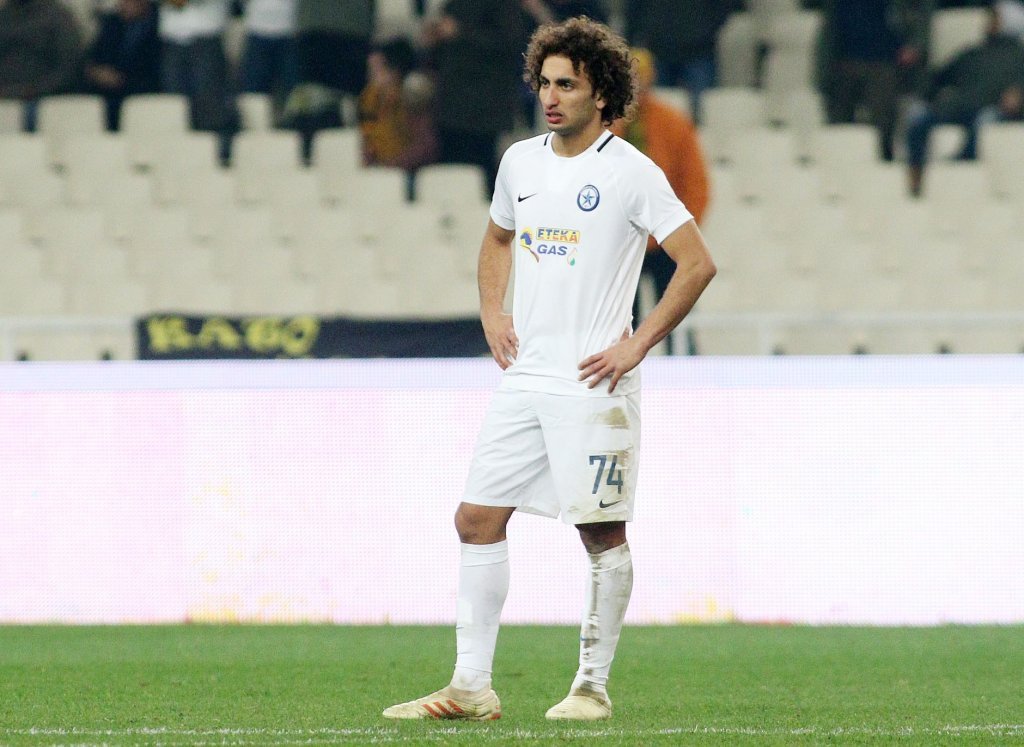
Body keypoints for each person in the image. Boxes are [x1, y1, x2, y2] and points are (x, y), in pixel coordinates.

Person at [382, 16, 715, 722]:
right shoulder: (520, 163)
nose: (551, 97)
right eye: (545, 83)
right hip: (527, 375)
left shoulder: (632, 172)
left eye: (567, 84)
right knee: (476, 518)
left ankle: (591, 686)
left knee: (600, 534)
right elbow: (497, 237)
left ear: (602, 94)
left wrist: (638, 343)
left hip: (594, 382)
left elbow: (696, 263)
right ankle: (471, 687)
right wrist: (492, 310)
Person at [610, 47, 709, 355]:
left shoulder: (672, 123)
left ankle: (686, 365)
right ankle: (620, 366)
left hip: (666, 239)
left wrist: (680, 229)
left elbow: (695, 184)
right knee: (619, 321)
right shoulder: (607, 125)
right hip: (622, 240)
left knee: (678, 313)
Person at [905, 4, 1024, 195]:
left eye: (995, 19)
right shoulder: (973, 53)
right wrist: (927, 95)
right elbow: (939, 78)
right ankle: (915, 175)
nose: (989, 23)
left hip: (992, 110)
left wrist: (1018, 97)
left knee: (986, 120)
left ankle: (958, 168)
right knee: (919, 116)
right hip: (959, 106)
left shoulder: (1020, 58)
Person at [423, 0, 526, 194]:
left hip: (484, 110)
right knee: (450, 174)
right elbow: (439, 58)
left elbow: (509, 42)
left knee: (481, 174)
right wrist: (434, 40)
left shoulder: (503, 6)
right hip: (451, 107)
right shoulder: (453, 5)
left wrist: (461, 32)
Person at [815, 0, 934, 161]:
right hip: (844, 60)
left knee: (882, 123)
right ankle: (837, 161)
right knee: (839, 122)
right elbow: (829, 27)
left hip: (884, 60)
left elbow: (920, 12)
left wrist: (915, 45)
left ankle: (882, 163)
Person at [625, 0, 739, 124]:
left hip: (700, 51)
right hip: (658, 50)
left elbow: (727, 5)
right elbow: (634, 7)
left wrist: (708, 28)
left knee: (701, 114)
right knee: (656, 113)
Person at [358, 37, 438, 198]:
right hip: (379, 172)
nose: (372, 77)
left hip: (408, 175)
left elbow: (426, 147)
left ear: (394, 71)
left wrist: (393, 165)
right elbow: (368, 136)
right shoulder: (370, 100)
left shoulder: (411, 100)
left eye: (377, 70)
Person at [0, 0, 83, 132]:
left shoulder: (56, 16)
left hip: (41, 98)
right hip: (6, 95)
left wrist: (34, 90)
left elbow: (69, 66)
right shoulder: (5, 15)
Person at [84, 0, 161, 131]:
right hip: (106, 94)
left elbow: (155, 70)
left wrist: (121, 79)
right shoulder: (112, 23)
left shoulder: (158, 26)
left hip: (142, 94)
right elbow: (94, 56)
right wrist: (97, 72)